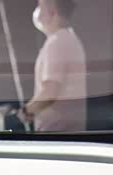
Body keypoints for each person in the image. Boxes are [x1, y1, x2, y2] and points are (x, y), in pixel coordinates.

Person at [20, 0, 87, 132]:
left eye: (41, 7)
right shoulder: (70, 39)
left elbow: (50, 92)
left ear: (53, 13)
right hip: (68, 126)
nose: (38, 13)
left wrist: (26, 111)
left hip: (56, 127)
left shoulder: (56, 43)